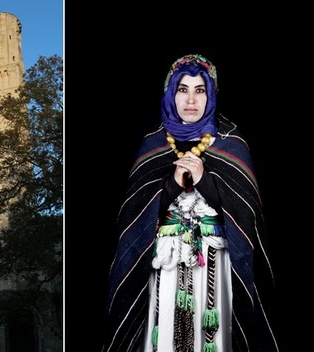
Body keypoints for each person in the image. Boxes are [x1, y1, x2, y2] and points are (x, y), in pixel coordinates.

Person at [101, 54, 279, 352]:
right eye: (183, 90)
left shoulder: (231, 142)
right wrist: (171, 184)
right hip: (166, 265)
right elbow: (133, 221)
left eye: (200, 90)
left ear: (211, 96)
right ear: (171, 94)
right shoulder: (153, 144)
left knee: (213, 337)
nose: (191, 100)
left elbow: (247, 218)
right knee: (167, 335)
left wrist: (206, 182)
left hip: (214, 265)